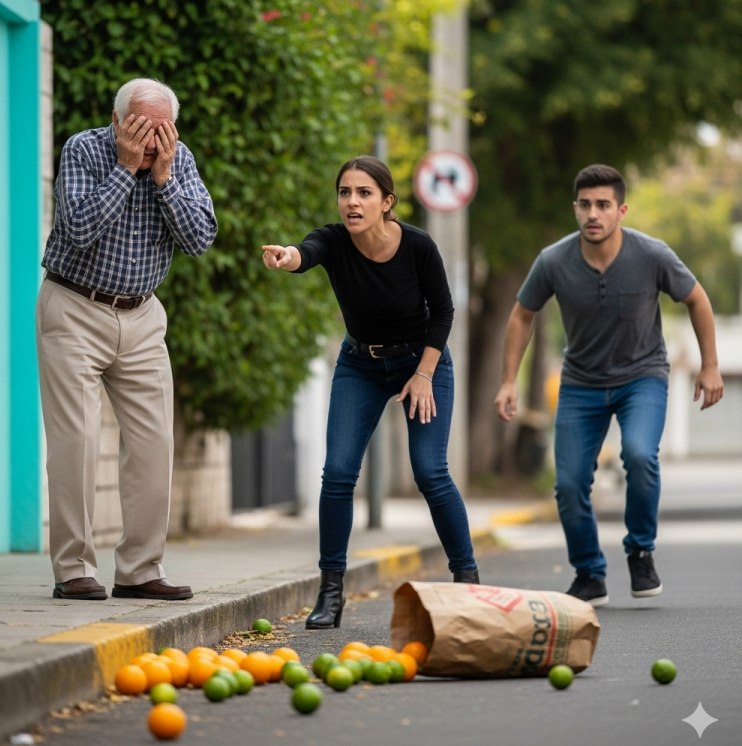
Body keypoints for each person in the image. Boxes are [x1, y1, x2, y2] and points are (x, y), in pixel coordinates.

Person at [262, 156, 479, 628]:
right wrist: (287, 256)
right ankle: (331, 592)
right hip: (360, 364)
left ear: (387, 202)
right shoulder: (334, 240)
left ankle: (468, 583)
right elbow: (307, 252)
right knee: (338, 473)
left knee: (430, 471)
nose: (352, 202)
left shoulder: (418, 246)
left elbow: (442, 313)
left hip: (422, 363)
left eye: (363, 193)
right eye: (345, 192)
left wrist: (422, 375)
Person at [494, 164, 723, 607]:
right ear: (575, 208)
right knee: (569, 483)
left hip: (642, 377)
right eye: (585, 205)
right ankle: (589, 573)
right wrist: (508, 381)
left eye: (602, 205)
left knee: (638, 454)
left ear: (621, 210)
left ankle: (640, 550)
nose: (592, 214)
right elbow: (523, 314)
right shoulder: (554, 261)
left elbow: (697, 298)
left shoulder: (651, 254)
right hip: (580, 383)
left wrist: (709, 366)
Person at [38, 77, 218, 601]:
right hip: (73, 307)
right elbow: (76, 229)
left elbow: (201, 238)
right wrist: (123, 167)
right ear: (117, 121)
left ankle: (140, 570)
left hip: (141, 316)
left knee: (153, 443)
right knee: (78, 441)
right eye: (140, 126)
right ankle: (73, 570)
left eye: (162, 129)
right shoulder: (83, 149)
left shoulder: (176, 159)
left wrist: (164, 178)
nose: (151, 139)